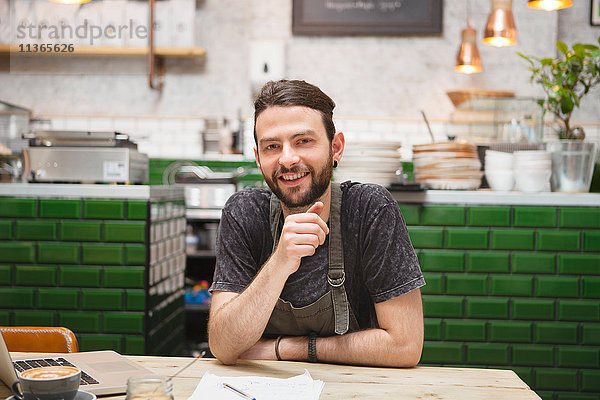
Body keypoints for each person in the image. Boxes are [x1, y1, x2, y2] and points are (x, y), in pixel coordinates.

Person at [207, 79, 425, 367]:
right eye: (272, 146)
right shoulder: (244, 212)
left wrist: (285, 349)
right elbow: (223, 346)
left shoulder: (370, 210)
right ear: (258, 158)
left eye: (304, 141)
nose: (287, 158)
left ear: (336, 148)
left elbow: (405, 346)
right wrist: (280, 262)